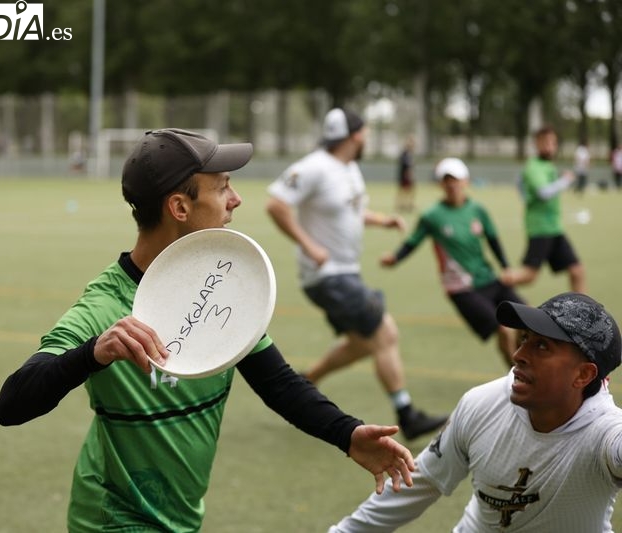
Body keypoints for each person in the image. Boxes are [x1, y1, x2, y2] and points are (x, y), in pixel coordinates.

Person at [0, 128, 416, 533]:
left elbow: (278, 382)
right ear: (179, 207)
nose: (235, 200)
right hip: (112, 517)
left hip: (181, 515)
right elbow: (11, 404)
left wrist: (347, 434)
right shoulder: (104, 307)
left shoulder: (218, 282)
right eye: (222, 188)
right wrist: (92, 353)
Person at [328, 292, 622, 533]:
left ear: (583, 375)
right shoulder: (483, 403)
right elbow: (420, 481)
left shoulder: (605, 434)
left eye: (542, 346)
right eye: (524, 340)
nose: (519, 355)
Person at [265, 108, 448, 441]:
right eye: (363, 132)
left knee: (362, 343)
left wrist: (383, 220)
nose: (365, 138)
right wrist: (308, 245)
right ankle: (407, 414)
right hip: (328, 276)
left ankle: (306, 381)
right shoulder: (314, 166)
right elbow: (276, 204)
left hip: (345, 273)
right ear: (355, 136)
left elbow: (352, 211)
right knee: (385, 332)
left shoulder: (349, 169)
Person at [380, 157, 525, 367]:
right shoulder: (432, 216)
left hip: (488, 278)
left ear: (465, 181)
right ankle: (517, 377)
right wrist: (395, 259)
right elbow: (412, 243)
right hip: (461, 288)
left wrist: (506, 267)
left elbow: (493, 240)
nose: (452, 185)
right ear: (441, 184)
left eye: (456, 179)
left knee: (527, 321)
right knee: (502, 330)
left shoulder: (478, 210)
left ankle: (530, 374)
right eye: (446, 180)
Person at [503, 125, 586, 293]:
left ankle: (583, 315)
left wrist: (524, 195)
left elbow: (519, 182)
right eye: (546, 142)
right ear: (537, 143)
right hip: (541, 228)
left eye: (553, 142)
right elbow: (544, 193)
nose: (550, 146)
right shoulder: (534, 165)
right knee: (529, 275)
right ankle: (495, 286)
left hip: (554, 227)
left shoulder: (546, 165)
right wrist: (565, 180)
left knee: (577, 271)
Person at [395, 136, 415, 212]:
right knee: (402, 191)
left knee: (410, 191)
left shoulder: (410, 154)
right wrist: (407, 175)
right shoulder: (405, 154)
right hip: (404, 176)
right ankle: (401, 204)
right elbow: (405, 165)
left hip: (408, 176)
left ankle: (409, 204)